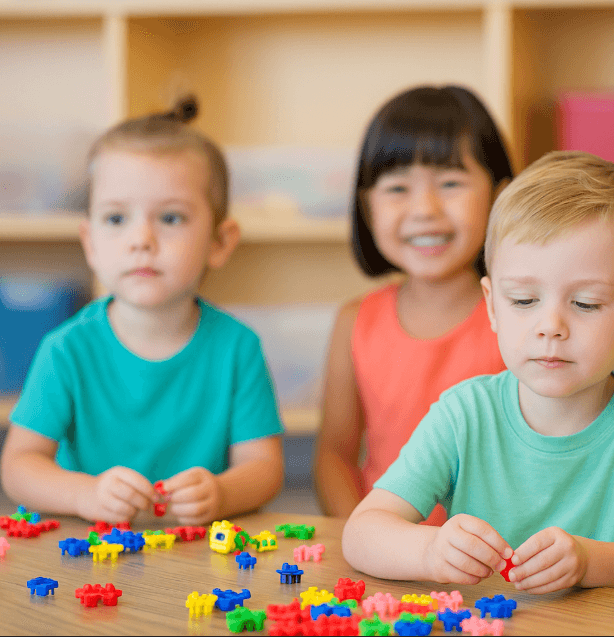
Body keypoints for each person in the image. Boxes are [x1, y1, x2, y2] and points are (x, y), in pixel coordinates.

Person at [0, 97, 285, 525]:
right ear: (90, 242)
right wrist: (85, 494)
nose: (141, 239)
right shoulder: (66, 349)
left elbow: (264, 467)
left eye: (170, 218)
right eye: (116, 219)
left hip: (203, 560)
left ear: (220, 242)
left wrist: (222, 493)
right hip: (90, 554)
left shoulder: (238, 348)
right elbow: (19, 466)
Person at [342, 150, 614, 593]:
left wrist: (591, 562)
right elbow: (362, 532)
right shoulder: (464, 415)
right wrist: (428, 551)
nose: (551, 327)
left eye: (585, 303)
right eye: (524, 301)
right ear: (491, 306)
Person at [315, 86, 513, 520]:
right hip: (384, 563)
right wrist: (363, 534)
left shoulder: (521, 318)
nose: (424, 209)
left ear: (500, 196)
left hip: (494, 563)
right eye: (398, 187)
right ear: (367, 207)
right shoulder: (355, 321)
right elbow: (334, 457)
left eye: (450, 183)